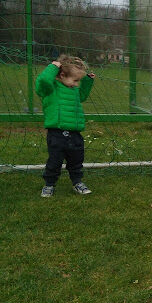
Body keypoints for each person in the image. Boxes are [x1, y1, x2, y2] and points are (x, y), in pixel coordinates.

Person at [35, 55, 96, 197]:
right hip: (57, 134)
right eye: (75, 80)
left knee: (76, 161)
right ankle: (49, 184)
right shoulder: (50, 89)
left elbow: (82, 96)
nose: (76, 84)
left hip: (75, 133)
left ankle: (77, 182)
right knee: (54, 161)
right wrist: (53, 67)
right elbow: (43, 81)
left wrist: (87, 81)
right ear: (62, 75)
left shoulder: (74, 90)